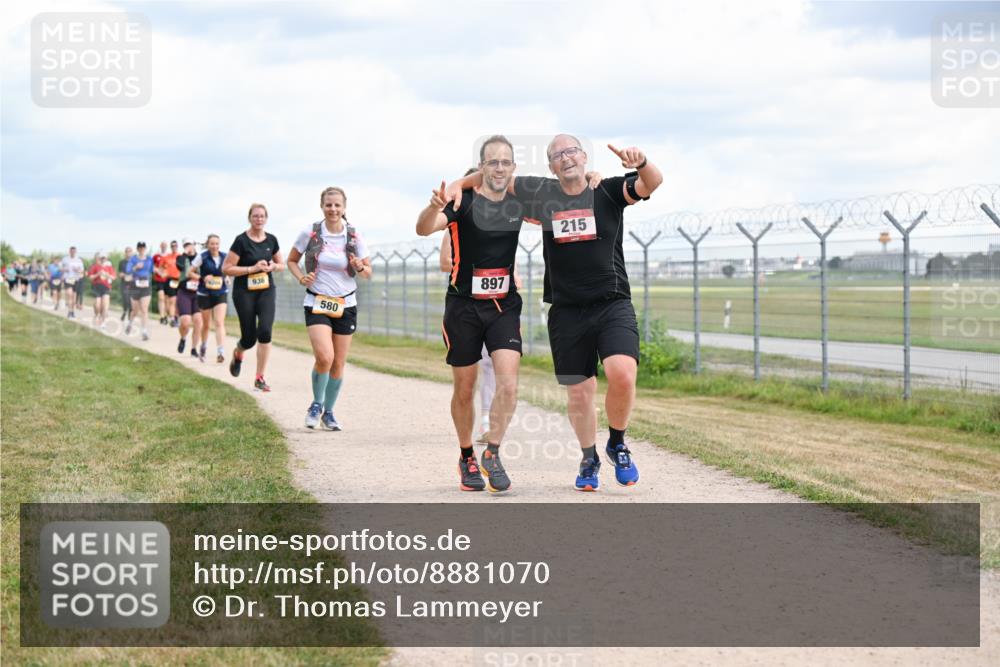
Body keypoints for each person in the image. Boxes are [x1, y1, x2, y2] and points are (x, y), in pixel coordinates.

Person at [455, 135, 662, 491]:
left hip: (612, 303)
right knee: (580, 394)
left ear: (584, 157)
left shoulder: (607, 191)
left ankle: (618, 442)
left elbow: (651, 183)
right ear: (551, 166)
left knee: (622, 373)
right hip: (566, 312)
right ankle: (589, 458)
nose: (565, 158)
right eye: (556, 155)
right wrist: (460, 185)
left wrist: (641, 162)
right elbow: (495, 178)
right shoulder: (542, 193)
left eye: (571, 152)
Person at [415, 136, 531, 493]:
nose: (499, 167)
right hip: (463, 307)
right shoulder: (461, 201)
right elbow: (423, 228)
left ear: (513, 167)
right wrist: (433, 205)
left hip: (503, 306)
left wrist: (589, 178)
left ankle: (492, 452)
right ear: (482, 166)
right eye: (492, 162)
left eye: (505, 162)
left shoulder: (518, 201)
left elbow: (563, 203)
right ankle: (466, 455)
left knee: (508, 385)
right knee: (464, 388)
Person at [287, 186, 372, 428]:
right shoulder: (312, 233)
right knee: (324, 357)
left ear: (344, 208)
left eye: (337, 205)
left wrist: (359, 266)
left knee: (338, 362)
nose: (333, 209)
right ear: (322, 206)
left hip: (346, 303)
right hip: (317, 301)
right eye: (328, 205)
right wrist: (300, 276)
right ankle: (316, 404)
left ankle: (329, 412)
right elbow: (291, 260)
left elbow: (368, 272)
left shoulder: (354, 236)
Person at [223, 203, 285, 390]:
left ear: (266, 219)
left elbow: (281, 264)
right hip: (244, 292)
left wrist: (272, 267)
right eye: (255, 216)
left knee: (265, 331)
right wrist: (252, 269)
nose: (259, 219)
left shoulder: (271, 240)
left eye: (262, 216)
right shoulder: (241, 241)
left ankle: (259, 378)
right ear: (249, 218)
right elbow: (226, 268)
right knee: (249, 338)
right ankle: (238, 353)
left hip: (266, 290)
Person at [188, 234, 229, 363]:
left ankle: (220, 352)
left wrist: (227, 277)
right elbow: (190, 272)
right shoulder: (202, 256)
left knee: (219, 322)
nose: (214, 246)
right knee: (206, 325)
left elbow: (229, 270)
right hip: (205, 294)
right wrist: (202, 278)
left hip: (221, 292)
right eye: (212, 243)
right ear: (208, 244)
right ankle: (203, 347)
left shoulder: (225, 256)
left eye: (217, 243)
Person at [174, 238, 203, 357]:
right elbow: (180, 266)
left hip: (198, 293)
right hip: (184, 292)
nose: (188, 246)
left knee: (198, 321)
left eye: (190, 244)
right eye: (186, 245)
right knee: (185, 322)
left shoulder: (201, 257)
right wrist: (185, 253)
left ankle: (194, 348)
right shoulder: (181, 258)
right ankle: (183, 338)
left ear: (194, 244)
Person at [126, 241, 155, 340]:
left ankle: (144, 331)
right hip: (135, 285)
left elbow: (152, 270)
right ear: (137, 249)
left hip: (146, 285)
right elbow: (128, 271)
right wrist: (135, 267)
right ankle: (130, 323)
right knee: (135, 310)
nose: (142, 249)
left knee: (144, 309)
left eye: (143, 247)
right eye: (140, 247)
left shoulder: (149, 259)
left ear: (145, 248)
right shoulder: (133, 259)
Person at [87, 252, 116, 328]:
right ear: (99, 258)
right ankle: (97, 314)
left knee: (105, 304)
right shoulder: (95, 267)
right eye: (102, 258)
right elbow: (90, 277)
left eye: (104, 258)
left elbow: (113, 277)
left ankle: (103, 322)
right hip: (97, 286)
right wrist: (98, 274)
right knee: (97, 304)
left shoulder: (109, 267)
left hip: (106, 287)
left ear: (106, 259)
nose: (103, 259)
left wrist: (107, 275)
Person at [60, 246, 84, 319]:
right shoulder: (65, 259)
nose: (73, 252)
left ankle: (72, 312)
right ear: (69, 251)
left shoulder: (79, 260)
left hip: (76, 279)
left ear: (76, 252)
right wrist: (65, 269)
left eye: (74, 251)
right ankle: (70, 312)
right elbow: (60, 268)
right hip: (68, 279)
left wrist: (77, 270)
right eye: (71, 251)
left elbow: (82, 270)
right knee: (70, 294)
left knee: (74, 297)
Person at [163, 239, 181, 327]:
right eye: (172, 246)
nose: (174, 247)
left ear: (177, 247)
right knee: (172, 300)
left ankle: (176, 317)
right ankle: (172, 319)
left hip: (180, 280)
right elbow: (160, 268)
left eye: (176, 246)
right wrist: (163, 273)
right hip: (171, 280)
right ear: (170, 247)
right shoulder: (167, 257)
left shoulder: (181, 256)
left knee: (178, 301)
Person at [152, 240, 170, 324]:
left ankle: (166, 315)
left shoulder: (169, 256)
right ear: (160, 246)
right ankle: (162, 317)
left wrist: (166, 273)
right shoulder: (156, 256)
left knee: (167, 299)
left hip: (168, 280)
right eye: (162, 245)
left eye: (165, 245)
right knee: (161, 297)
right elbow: (151, 266)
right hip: (159, 279)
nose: (164, 246)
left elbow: (172, 268)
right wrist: (158, 272)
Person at [118, 246, 133, 321]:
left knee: (131, 301)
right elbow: (120, 274)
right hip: (124, 283)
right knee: (126, 299)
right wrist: (125, 275)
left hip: (132, 284)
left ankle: (130, 318)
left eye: (130, 251)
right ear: (125, 253)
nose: (128, 253)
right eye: (127, 251)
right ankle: (124, 311)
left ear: (132, 253)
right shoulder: (122, 262)